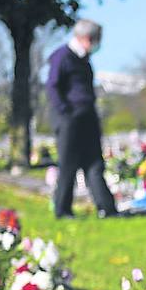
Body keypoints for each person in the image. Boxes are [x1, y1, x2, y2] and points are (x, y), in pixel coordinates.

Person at [45, 19, 117, 219]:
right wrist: (64, 110)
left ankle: (107, 208)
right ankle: (62, 209)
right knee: (68, 164)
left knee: (94, 163)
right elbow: (52, 86)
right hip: (69, 117)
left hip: (87, 116)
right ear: (86, 38)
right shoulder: (62, 56)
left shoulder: (84, 59)